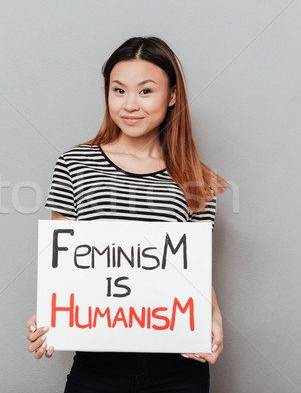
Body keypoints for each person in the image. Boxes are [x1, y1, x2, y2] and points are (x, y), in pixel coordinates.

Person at [26, 36, 229, 392]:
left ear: (172, 96)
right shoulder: (75, 164)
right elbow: (63, 262)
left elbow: (192, 268)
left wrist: (212, 316)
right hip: (98, 363)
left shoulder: (197, 178)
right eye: (119, 91)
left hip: (178, 365)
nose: (130, 104)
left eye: (146, 91)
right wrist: (49, 315)